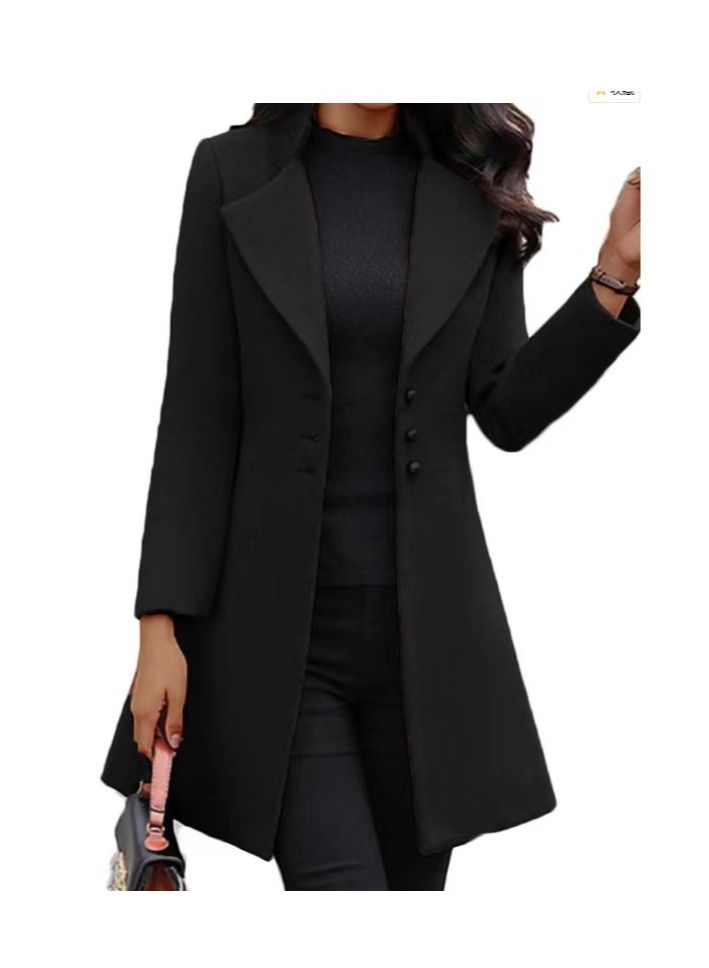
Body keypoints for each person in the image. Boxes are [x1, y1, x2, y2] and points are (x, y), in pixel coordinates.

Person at [101, 103, 641, 891]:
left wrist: (615, 272)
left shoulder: (471, 186)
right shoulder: (232, 171)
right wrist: (159, 627)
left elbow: (506, 408)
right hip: (278, 642)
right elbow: (198, 414)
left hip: (425, 648)